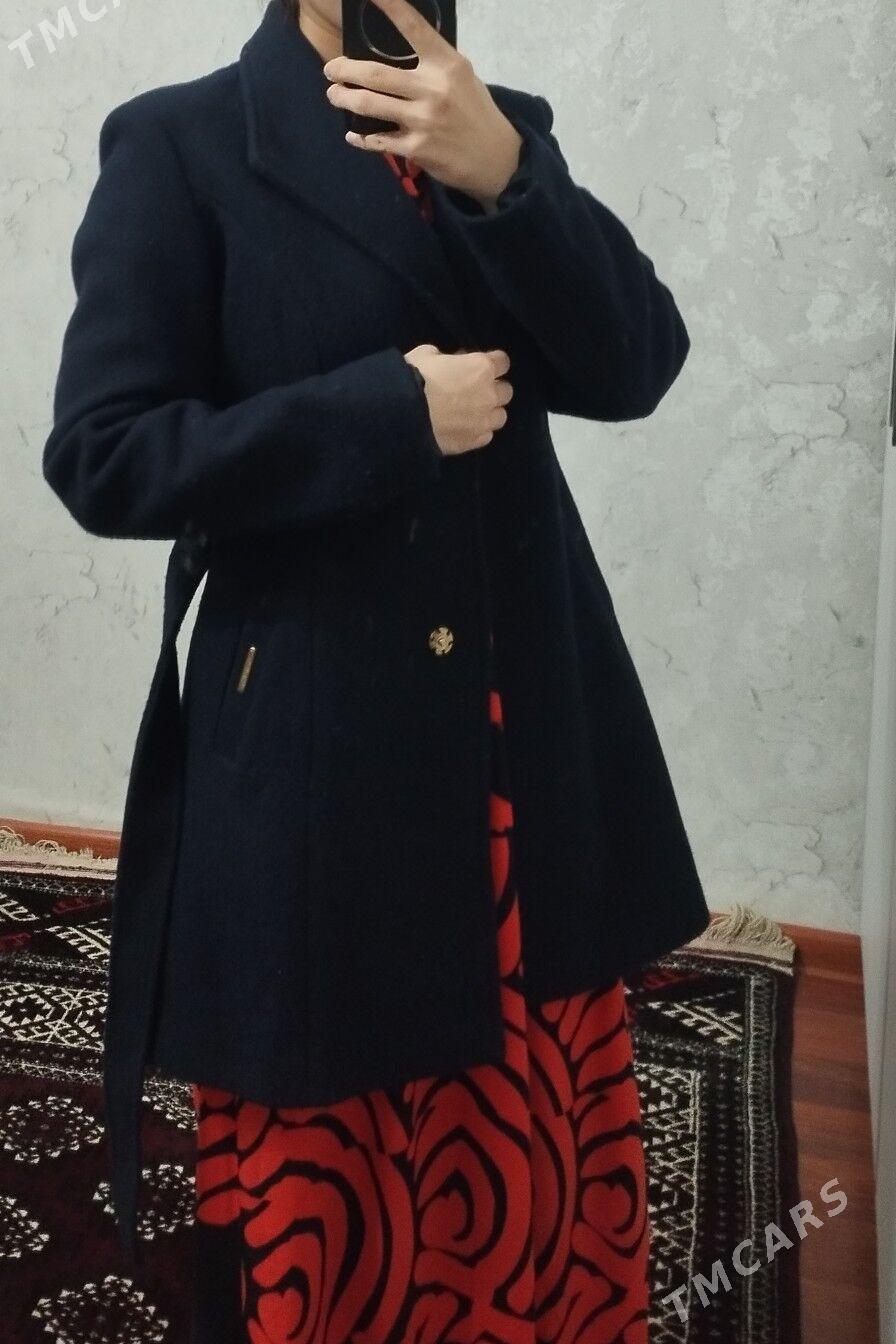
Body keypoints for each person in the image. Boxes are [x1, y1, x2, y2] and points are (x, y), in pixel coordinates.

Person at [43, 0, 711, 1337]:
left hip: (524, 718)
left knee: (529, 1130)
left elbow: (635, 366)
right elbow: (107, 455)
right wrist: (383, 415)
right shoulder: (182, 144)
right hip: (322, 738)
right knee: (342, 1150)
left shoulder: (501, 132)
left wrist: (503, 174)